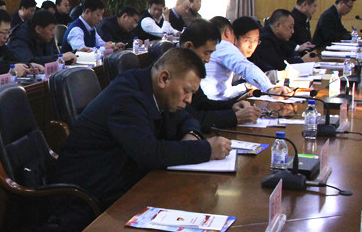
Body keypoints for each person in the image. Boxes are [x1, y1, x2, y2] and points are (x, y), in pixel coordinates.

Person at [49, 48, 232, 209]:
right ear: (164, 78)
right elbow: (150, 154)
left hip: (124, 183)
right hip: (88, 197)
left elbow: (187, 118)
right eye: (186, 91)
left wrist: (191, 136)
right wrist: (206, 149)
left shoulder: (158, 91)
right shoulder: (126, 98)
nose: (189, 99)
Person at [180, 20, 260, 131]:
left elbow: (203, 103)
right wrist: (235, 117)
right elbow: (191, 117)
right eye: (206, 53)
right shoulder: (175, 72)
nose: (208, 60)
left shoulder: (190, 70)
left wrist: (232, 106)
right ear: (189, 46)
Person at [201, 16, 294, 100]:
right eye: (247, 40)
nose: (252, 45)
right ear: (228, 32)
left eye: (256, 41)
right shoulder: (223, 45)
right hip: (212, 105)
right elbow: (247, 69)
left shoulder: (210, 47)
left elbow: (223, 92)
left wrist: (246, 86)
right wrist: (270, 89)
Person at [251, 9, 318, 73]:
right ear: (278, 25)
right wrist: (301, 60)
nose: (293, 31)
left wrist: (301, 59)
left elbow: (291, 53)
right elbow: (277, 64)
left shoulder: (279, 37)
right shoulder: (264, 39)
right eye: (290, 27)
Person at [8, 10, 77, 65]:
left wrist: (72, 56)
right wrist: (60, 58)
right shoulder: (19, 37)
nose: (53, 33)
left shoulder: (46, 35)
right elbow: (29, 62)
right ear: (38, 29)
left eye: (54, 29)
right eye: (51, 29)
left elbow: (53, 56)